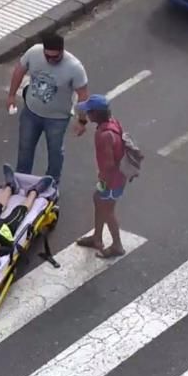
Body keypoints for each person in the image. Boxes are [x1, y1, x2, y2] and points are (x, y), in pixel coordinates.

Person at [6, 32, 90, 186]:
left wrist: (82, 120)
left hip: (57, 118)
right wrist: (11, 95)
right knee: (25, 149)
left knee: (55, 152)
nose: (51, 60)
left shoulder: (74, 67)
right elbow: (19, 70)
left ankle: (51, 183)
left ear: (62, 51)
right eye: (47, 56)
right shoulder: (34, 52)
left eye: (55, 57)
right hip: (31, 112)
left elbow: (83, 95)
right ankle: (20, 181)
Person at [74, 95, 128, 259]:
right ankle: (97, 237)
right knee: (98, 200)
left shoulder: (104, 135)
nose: (87, 114)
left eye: (89, 112)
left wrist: (103, 181)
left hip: (112, 180)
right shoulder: (113, 122)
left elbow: (109, 164)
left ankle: (117, 245)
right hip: (117, 177)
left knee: (107, 210)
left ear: (96, 114)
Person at [0, 164, 55, 250]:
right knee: (18, 213)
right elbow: (4, 251)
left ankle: (10, 187)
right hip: (0, 235)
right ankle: (34, 192)